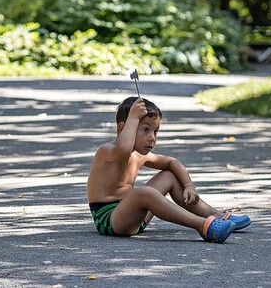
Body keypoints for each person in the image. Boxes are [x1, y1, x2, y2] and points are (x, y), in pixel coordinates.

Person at [86, 96, 250, 242]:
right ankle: (204, 226)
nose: (152, 138)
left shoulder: (138, 155)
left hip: (135, 217)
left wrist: (189, 186)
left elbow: (172, 162)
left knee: (168, 176)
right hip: (110, 221)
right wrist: (134, 116)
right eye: (145, 130)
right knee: (144, 193)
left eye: (155, 131)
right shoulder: (107, 151)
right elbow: (123, 149)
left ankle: (215, 216)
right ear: (123, 129)